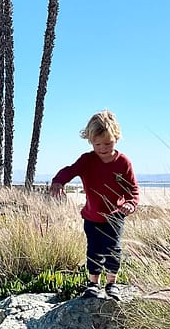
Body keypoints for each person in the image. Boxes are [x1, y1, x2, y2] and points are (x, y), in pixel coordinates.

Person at [50, 110, 139, 301]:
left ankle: (111, 283)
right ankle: (93, 284)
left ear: (117, 137)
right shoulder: (87, 160)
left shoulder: (123, 162)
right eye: (97, 144)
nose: (103, 148)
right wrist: (58, 181)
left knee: (113, 249)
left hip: (115, 216)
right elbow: (69, 171)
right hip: (92, 217)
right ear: (90, 141)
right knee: (94, 250)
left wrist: (131, 203)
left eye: (108, 143)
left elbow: (133, 190)